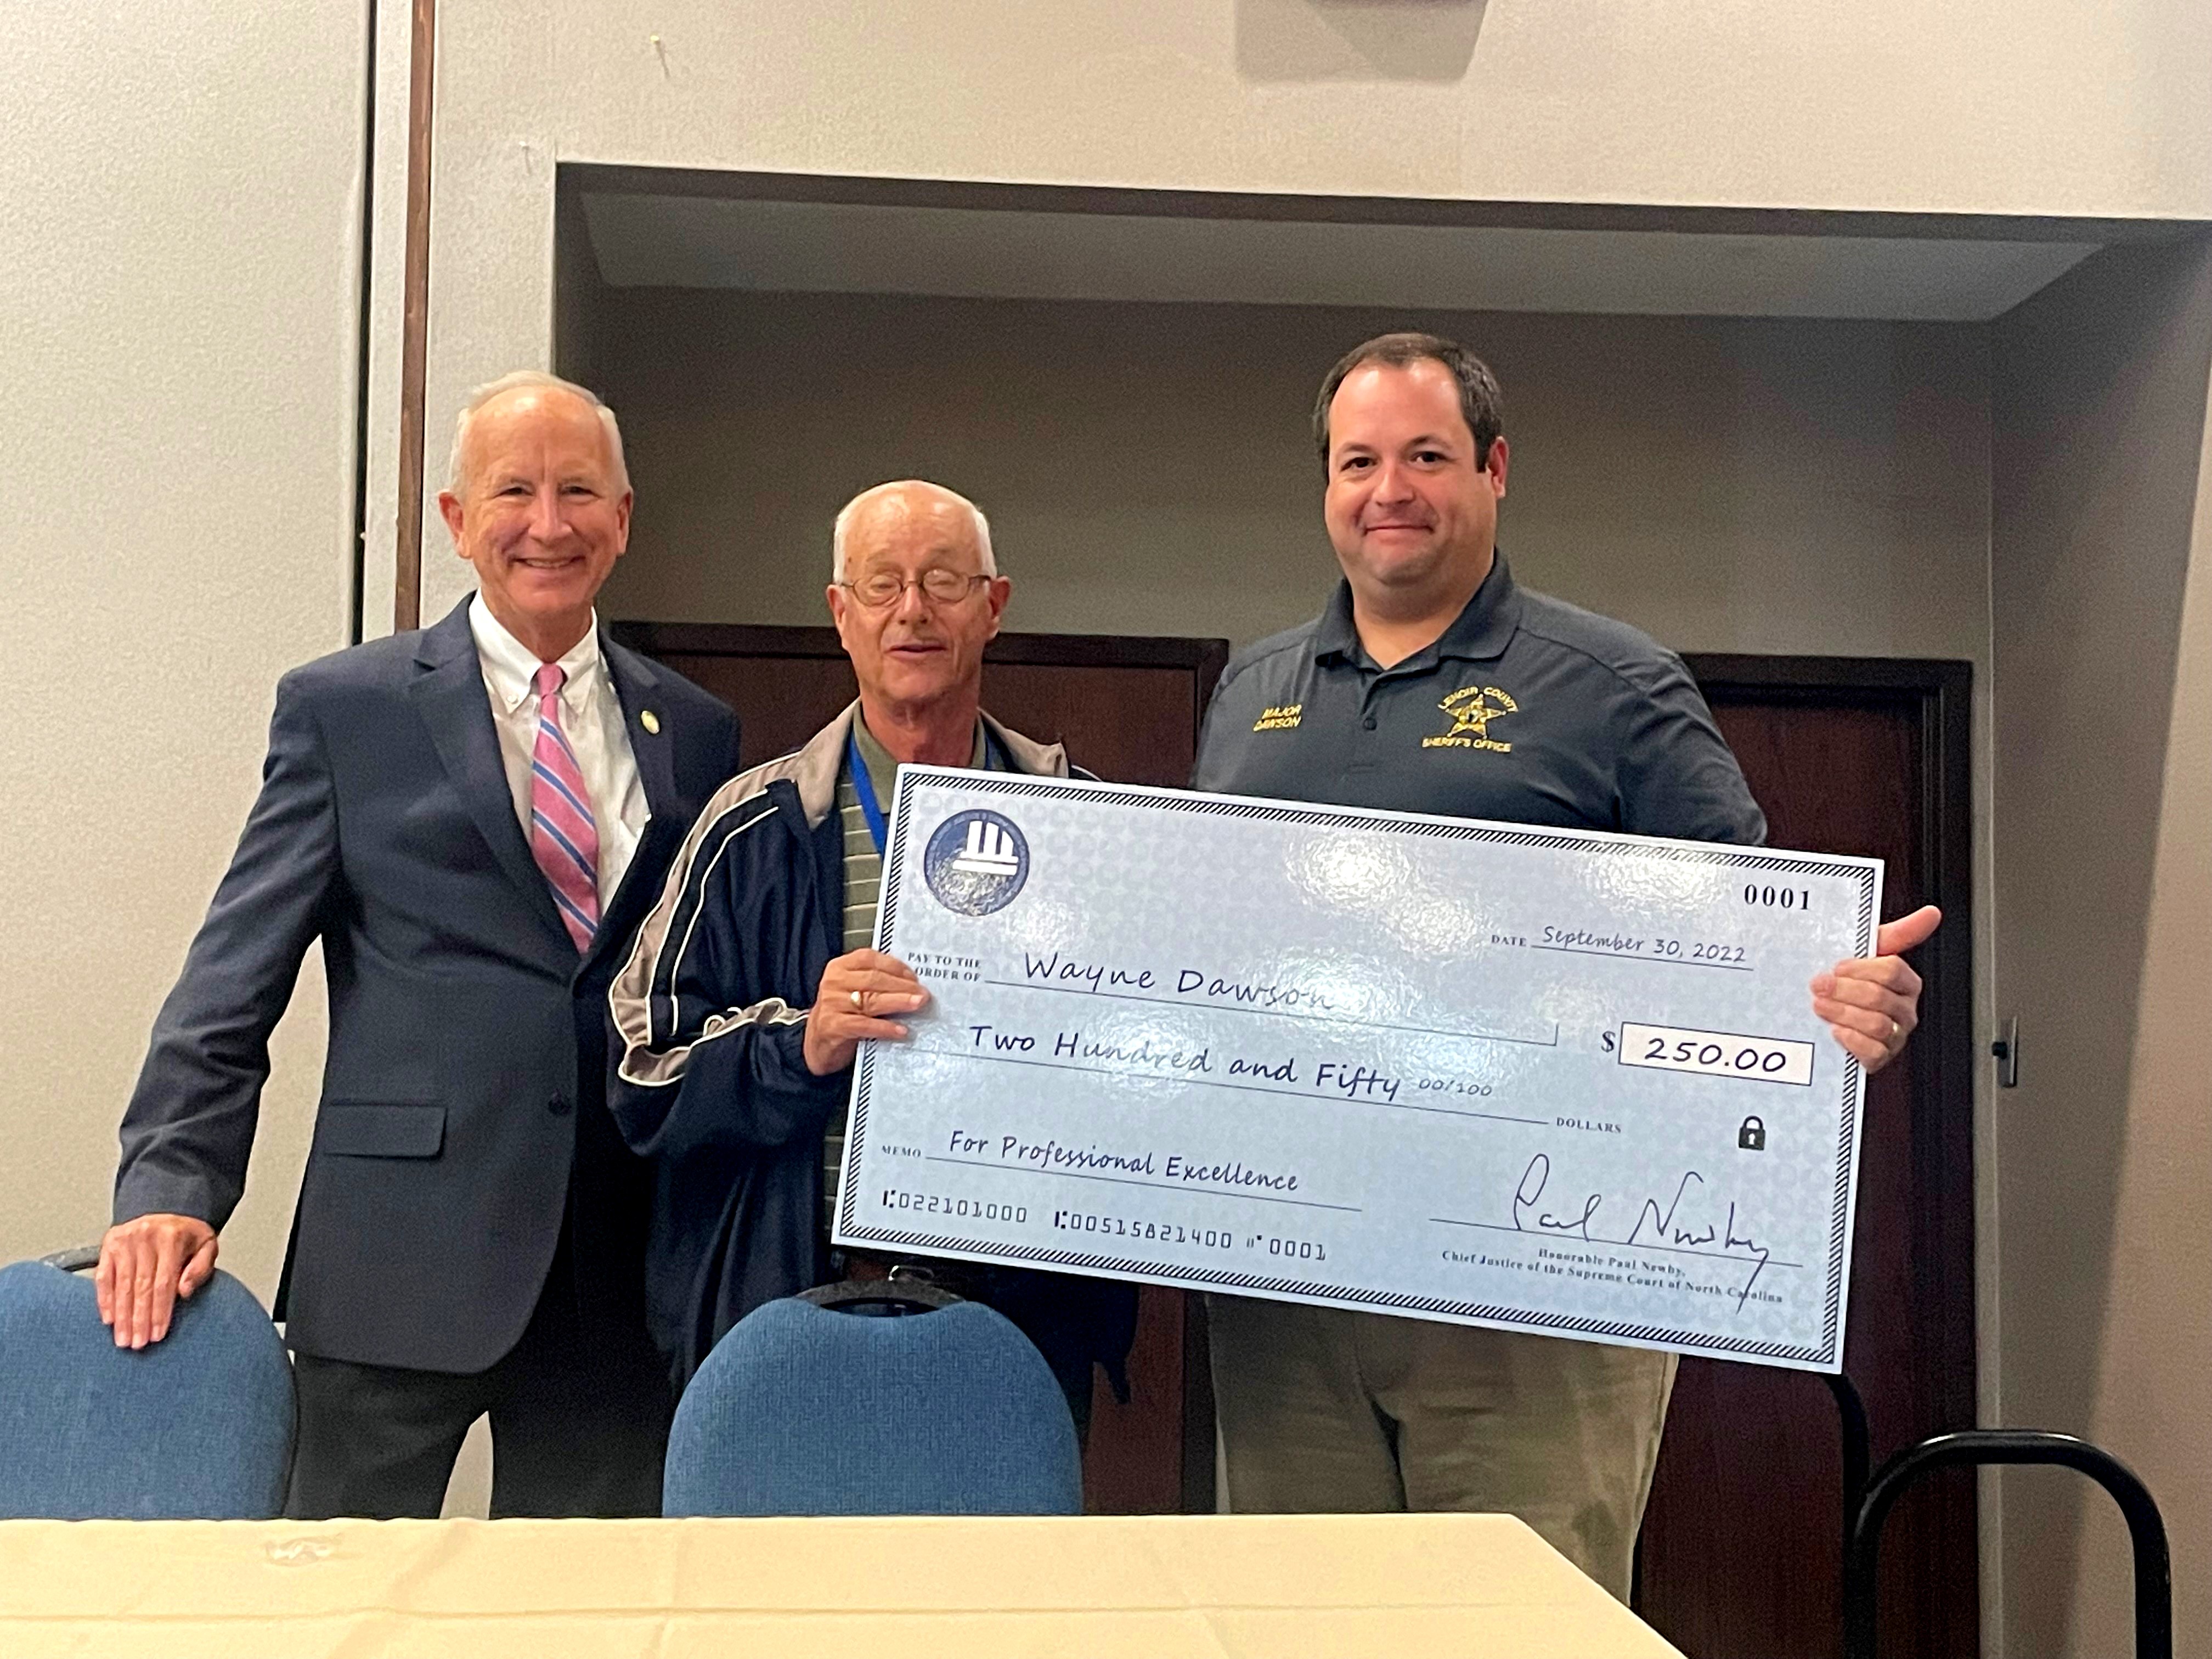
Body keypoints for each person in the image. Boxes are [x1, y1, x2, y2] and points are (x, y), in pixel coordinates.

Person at [1190, 332, 1939, 1595]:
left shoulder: (1613, 683)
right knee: (1296, 1623)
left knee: (1524, 1625)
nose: (1390, 490)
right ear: (1324, 486)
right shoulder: (1249, 688)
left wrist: (1839, 994)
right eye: (1358, 460)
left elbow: (1749, 943)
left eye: (1427, 456)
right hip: (1290, 1287)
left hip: (1535, 1282)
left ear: (1493, 470)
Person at [99, 371, 741, 1518]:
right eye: (515, 492)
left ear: (624, 518)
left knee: (580, 1619)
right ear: (455, 520)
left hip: (617, 1268)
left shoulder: (695, 728)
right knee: (337, 1609)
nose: (549, 524)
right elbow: (232, 975)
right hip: (398, 1259)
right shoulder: (349, 709)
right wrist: (172, 1180)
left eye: (579, 491)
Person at [607, 479, 1136, 1427]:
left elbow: (1152, 1062)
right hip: (786, 1305)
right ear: (840, 616)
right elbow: (639, 1074)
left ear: (995, 607)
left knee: (997, 1580)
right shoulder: (749, 829)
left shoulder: (1090, 828)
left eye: (943, 581)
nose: (913, 611)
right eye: (883, 585)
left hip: (1015, 1319)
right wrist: (797, 1046)